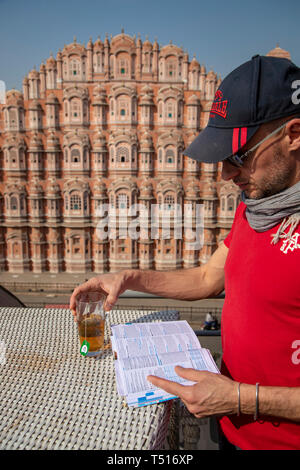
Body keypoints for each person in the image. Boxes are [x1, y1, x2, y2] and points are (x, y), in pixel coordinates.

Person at [69, 55, 300, 450]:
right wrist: (129, 278)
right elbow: (209, 277)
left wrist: (241, 397)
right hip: (229, 425)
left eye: (238, 156)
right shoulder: (258, 203)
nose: (226, 175)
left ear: (294, 134)